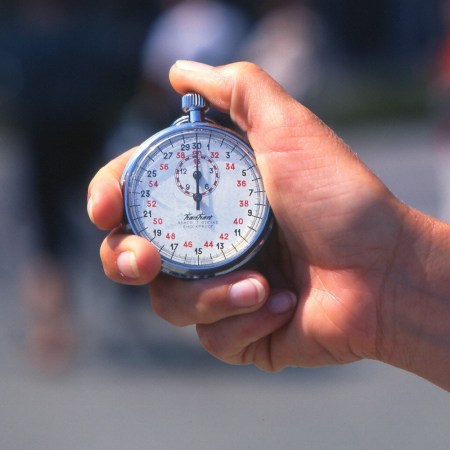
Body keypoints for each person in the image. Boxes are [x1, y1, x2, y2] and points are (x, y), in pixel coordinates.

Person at [87, 60, 450, 392]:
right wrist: (394, 288)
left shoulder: (245, 159)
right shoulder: (164, 163)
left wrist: (391, 283)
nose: (197, 194)